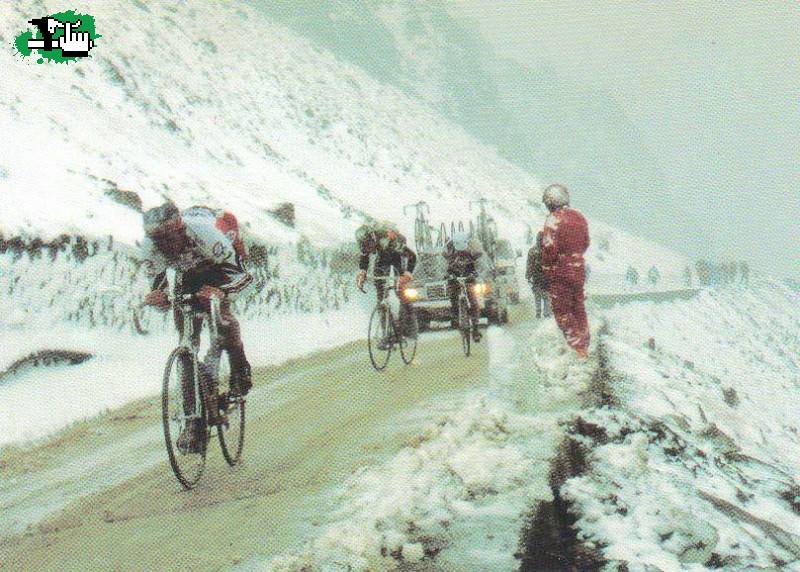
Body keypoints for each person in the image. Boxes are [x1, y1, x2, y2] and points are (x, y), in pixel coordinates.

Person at [141, 202, 253, 452]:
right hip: (188, 276)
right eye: (159, 240)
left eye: (170, 237)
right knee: (187, 344)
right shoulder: (150, 249)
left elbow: (246, 279)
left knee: (223, 318)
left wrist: (222, 293)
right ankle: (193, 420)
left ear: (181, 229)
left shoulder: (206, 233)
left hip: (220, 268)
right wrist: (158, 299)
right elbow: (160, 293)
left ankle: (240, 369)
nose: (167, 245)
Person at [541, 184, 590, 358]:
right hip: (578, 268)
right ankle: (584, 342)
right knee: (578, 306)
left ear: (549, 202)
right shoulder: (580, 217)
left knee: (562, 310)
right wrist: (575, 256)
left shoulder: (553, 220)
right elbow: (585, 243)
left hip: (560, 272)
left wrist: (547, 269)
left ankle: (578, 348)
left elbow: (549, 248)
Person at [355, 221, 418, 347]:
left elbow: (412, 257)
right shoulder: (365, 243)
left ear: (373, 239)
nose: (368, 249)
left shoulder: (389, 240)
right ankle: (387, 333)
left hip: (395, 254)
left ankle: (408, 326)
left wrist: (407, 274)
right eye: (365, 247)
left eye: (369, 245)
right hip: (382, 257)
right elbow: (364, 258)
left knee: (400, 289)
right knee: (380, 297)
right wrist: (362, 273)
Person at [443, 230, 483, 342]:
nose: (461, 251)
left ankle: (475, 329)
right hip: (453, 276)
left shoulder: (473, 249)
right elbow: (443, 264)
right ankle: (456, 318)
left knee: (474, 301)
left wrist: (476, 273)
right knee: (453, 297)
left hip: (469, 275)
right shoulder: (448, 250)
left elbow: (480, 264)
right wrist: (447, 274)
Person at [526, 231, 550, 319]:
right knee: (546, 296)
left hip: (536, 277)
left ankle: (538, 312)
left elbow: (529, 264)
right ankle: (546, 313)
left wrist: (528, 275)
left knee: (537, 296)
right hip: (546, 278)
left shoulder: (532, 251)